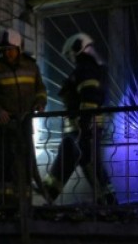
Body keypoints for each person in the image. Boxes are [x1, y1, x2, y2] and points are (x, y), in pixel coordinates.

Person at [0, 28, 48, 214]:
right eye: (3, 49)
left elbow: (40, 89)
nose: (7, 53)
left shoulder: (31, 66)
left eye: (10, 49)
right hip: (3, 127)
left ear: (18, 48)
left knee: (25, 165)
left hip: (24, 124)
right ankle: (4, 205)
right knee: (4, 166)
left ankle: (24, 204)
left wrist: (40, 102)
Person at [41, 32, 117, 205]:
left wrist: (84, 126)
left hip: (83, 128)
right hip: (80, 129)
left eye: (70, 55)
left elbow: (89, 98)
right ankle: (47, 192)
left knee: (90, 164)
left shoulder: (86, 69)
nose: (71, 59)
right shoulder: (91, 68)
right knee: (67, 157)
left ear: (77, 49)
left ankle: (109, 202)